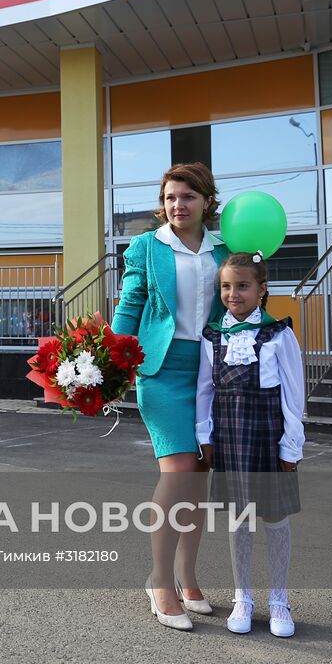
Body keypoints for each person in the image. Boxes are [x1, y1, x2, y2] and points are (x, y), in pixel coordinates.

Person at [110, 162, 230, 631]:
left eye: (187, 197)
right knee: (178, 471)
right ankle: (159, 581)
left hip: (213, 374)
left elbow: (241, 302)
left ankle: (188, 576)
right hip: (161, 371)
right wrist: (114, 365)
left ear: (206, 202)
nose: (177, 206)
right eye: (170, 198)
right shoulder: (146, 246)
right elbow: (130, 305)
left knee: (199, 480)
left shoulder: (227, 249)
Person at [196, 253, 304, 638]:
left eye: (242, 286)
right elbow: (205, 391)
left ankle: (279, 598)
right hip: (230, 436)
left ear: (262, 290)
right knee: (239, 518)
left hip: (267, 435)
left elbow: (294, 393)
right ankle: (243, 596)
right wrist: (204, 436)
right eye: (226, 286)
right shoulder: (212, 336)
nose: (233, 293)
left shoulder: (278, 334)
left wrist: (291, 446)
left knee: (275, 517)